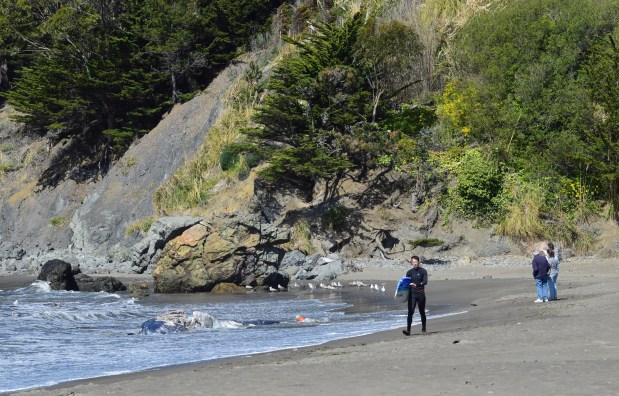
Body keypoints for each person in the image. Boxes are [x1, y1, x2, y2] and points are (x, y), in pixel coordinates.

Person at [403, 255, 428, 336]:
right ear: (411, 263)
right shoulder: (409, 272)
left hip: (420, 294)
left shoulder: (423, 271)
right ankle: (408, 331)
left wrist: (416, 284)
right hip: (412, 295)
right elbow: (406, 284)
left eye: (416, 262)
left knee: (422, 312)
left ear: (418, 262)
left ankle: (424, 329)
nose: (414, 264)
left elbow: (425, 282)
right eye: (413, 262)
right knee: (410, 312)